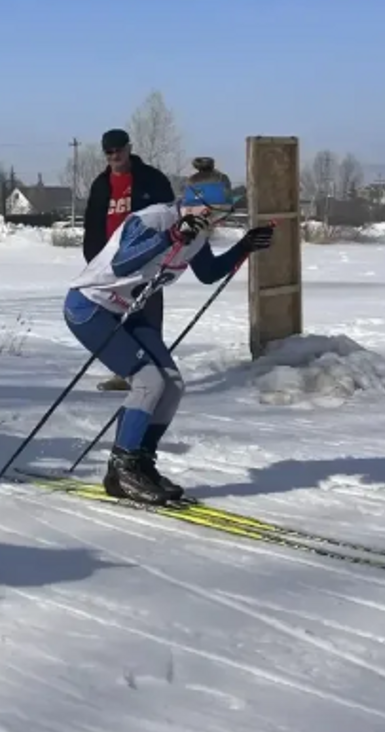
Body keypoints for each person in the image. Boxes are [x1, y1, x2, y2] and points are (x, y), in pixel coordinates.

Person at [65, 181, 273, 505]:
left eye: (221, 216)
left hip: (128, 312)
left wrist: (245, 246)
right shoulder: (152, 220)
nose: (216, 222)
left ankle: (140, 463)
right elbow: (122, 263)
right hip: (90, 307)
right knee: (148, 382)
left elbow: (208, 272)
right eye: (214, 214)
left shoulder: (198, 233)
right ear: (197, 206)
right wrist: (170, 236)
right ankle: (124, 466)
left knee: (172, 385)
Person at [82, 128, 177, 391]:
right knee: (116, 319)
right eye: (109, 152)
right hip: (112, 265)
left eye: (119, 150)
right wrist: (94, 262)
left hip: (147, 260)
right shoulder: (101, 185)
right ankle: (126, 372)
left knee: (147, 317)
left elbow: (170, 216)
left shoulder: (151, 179)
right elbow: (92, 227)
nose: (115, 156)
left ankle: (156, 372)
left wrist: (164, 253)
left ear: (129, 148)